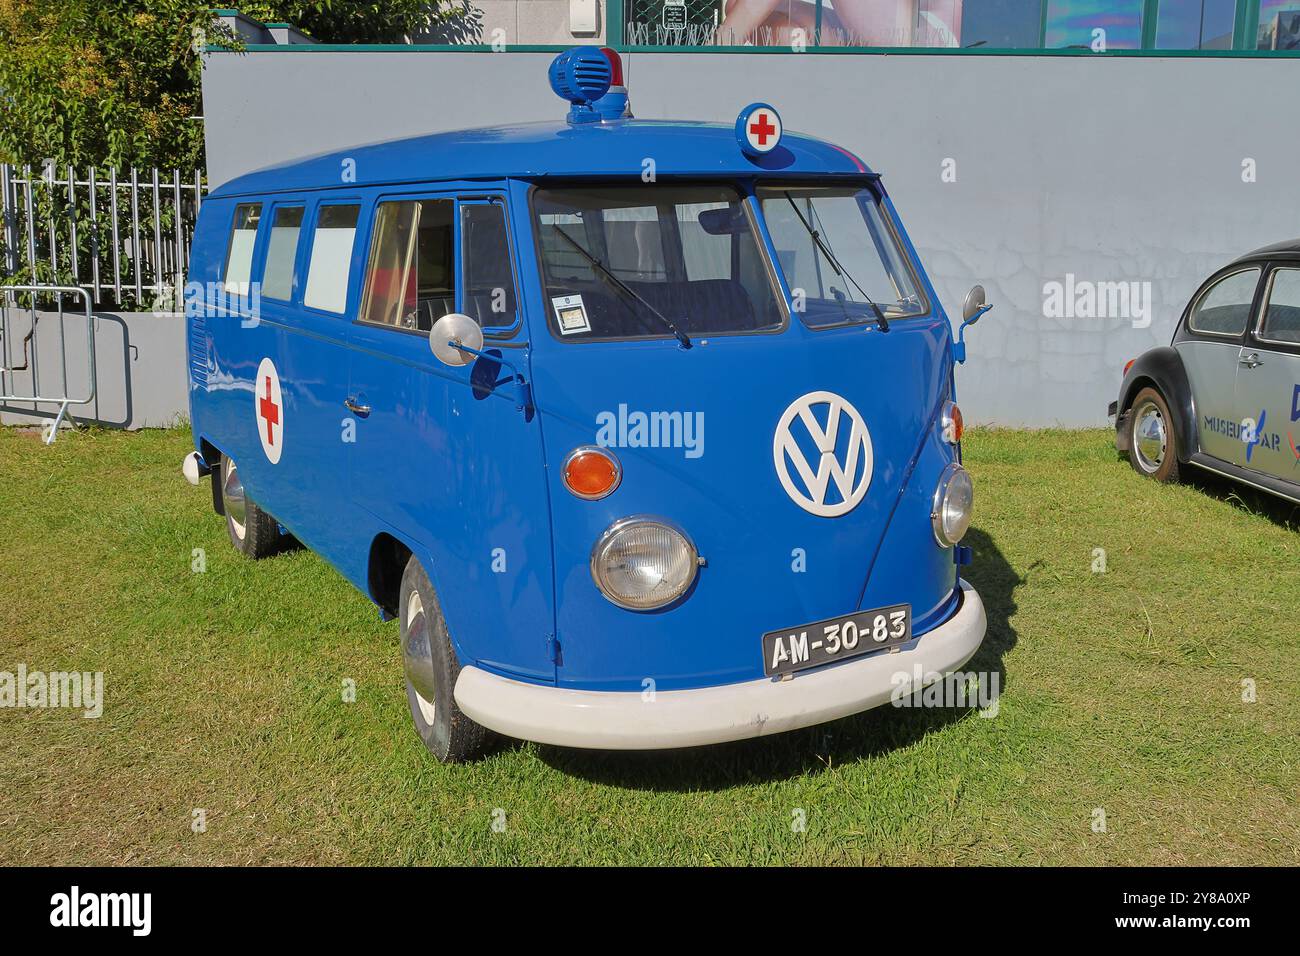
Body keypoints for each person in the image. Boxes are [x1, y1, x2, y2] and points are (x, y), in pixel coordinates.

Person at [716, 0, 963, 48]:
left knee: (744, 16)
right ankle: (800, 70)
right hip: (848, 33)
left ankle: (715, 46)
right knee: (738, 7)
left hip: (923, 33)